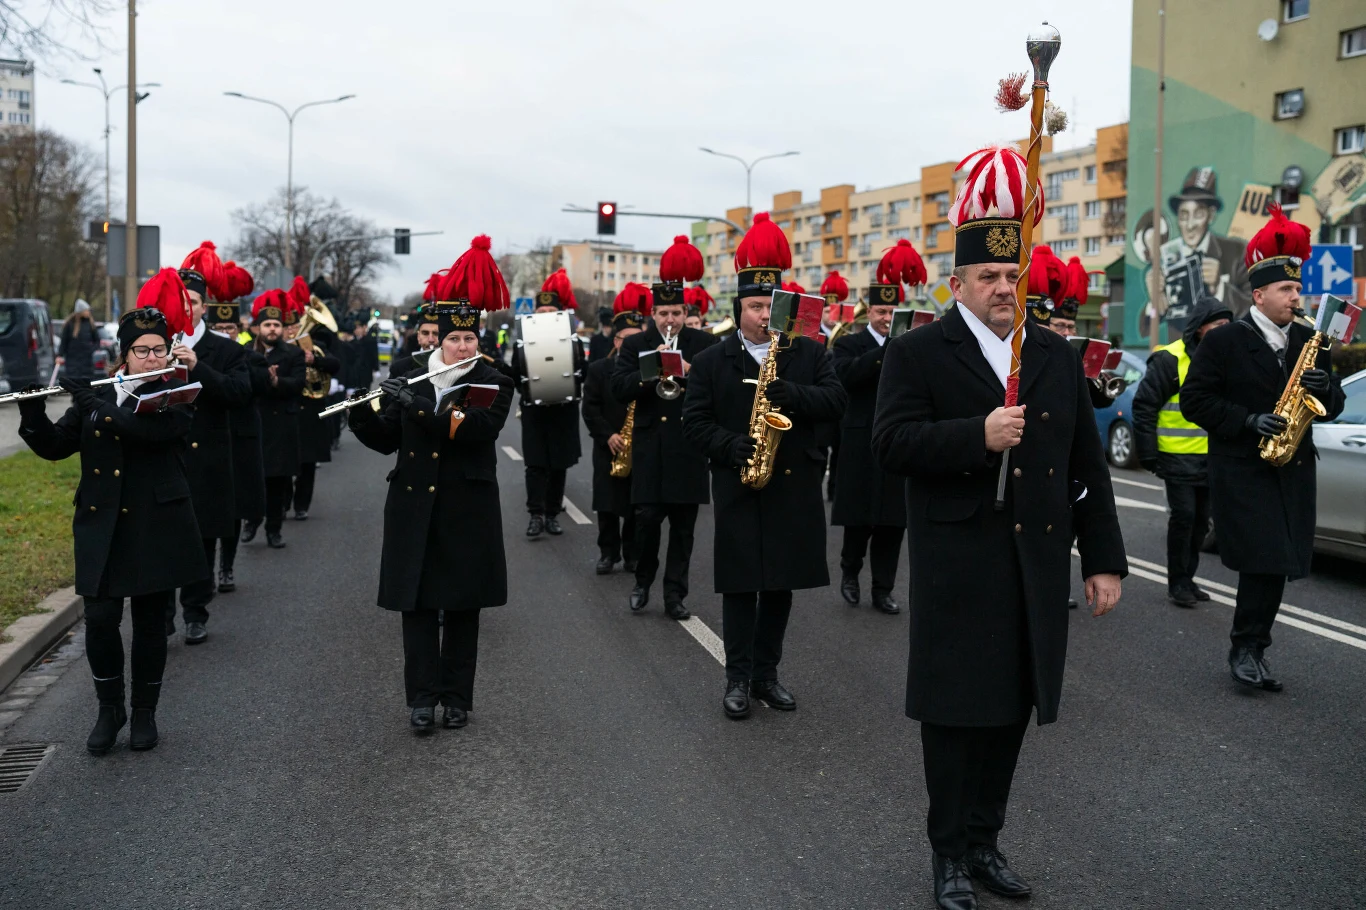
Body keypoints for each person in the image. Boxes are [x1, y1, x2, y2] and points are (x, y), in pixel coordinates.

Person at [870, 146, 1126, 910]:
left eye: (1012, 277)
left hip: (1034, 568)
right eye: (988, 277)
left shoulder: (1051, 354)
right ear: (958, 285)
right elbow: (890, 443)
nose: (1003, 289)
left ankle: (984, 841)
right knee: (955, 719)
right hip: (959, 564)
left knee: (1012, 711)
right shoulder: (920, 351)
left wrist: (1103, 560)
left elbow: (1088, 464)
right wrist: (974, 436)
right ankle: (948, 852)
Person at [16, 278, 208, 755]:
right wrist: (33, 412)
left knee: (148, 622)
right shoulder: (102, 393)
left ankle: (145, 712)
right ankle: (110, 708)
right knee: (100, 620)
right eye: (142, 351)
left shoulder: (177, 392)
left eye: (159, 349)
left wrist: (95, 404)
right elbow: (57, 448)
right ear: (123, 355)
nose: (152, 358)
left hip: (155, 521)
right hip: (102, 522)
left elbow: (147, 435)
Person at [682, 213, 847, 718]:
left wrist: (789, 394)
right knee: (740, 586)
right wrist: (733, 449)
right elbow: (694, 422)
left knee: (779, 586)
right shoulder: (713, 361)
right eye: (754, 307)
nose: (762, 316)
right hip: (739, 482)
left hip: (792, 486)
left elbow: (836, 401)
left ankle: (766, 676)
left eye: (770, 307)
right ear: (739, 310)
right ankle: (736, 678)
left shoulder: (808, 353)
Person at [348, 238, 513, 733]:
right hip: (414, 501)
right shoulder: (408, 373)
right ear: (438, 340)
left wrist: (418, 406)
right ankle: (421, 699)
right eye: (454, 340)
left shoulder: (492, 380)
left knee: (463, 606)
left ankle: (456, 698)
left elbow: (478, 430)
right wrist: (361, 414)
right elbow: (387, 441)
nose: (463, 348)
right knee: (416, 605)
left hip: (468, 504)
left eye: (470, 339)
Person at [1180, 204, 1344, 692]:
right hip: (1245, 469)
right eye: (1287, 289)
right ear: (1259, 294)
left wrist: (1324, 387)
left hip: (1293, 469)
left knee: (1278, 564)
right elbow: (1196, 401)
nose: (1298, 296)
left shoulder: (1310, 340)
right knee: (1264, 560)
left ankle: (1252, 645)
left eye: (1298, 288)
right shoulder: (1225, 341)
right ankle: (1247, 648)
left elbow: (1330, 404)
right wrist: (1248, 420)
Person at [612, 240, 719, 618]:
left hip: (688, 446)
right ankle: (643, 582)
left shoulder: (704, 344)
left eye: (676, 312)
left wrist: (688, 372)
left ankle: (675, 596)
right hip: (649, 445)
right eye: (663, 313)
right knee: (647, 521)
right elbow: (619, 387)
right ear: (652, 313)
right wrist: (651, 371)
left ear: (685, 310)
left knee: (684, 530)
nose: (669, 320)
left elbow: (717, 390)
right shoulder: (636, 344)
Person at [831, 242, 925, 614]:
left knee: (892, 524)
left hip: (898, 440)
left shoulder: (911, 346)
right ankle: (849, 572)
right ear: (869, 311)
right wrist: (886, 349)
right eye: (881, 311)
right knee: (859, 520)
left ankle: (882, 589)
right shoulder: (849, 344)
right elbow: (846, 377)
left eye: (892, 311)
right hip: (859, 441)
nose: (887, 317)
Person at [167, 244, 251, 643]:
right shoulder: (151, 347)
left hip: (208, 457)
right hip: (165, 453)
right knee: (163, 537)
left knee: (202, 539)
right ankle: (163, 612)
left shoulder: (226, 350)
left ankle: (195, 612)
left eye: (194, 301)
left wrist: (198, 368)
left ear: (204, 306)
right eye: (179, 301)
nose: (187, 307)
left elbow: (238, 393)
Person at [1132, 294, 1231, 607]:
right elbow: (1145, 406)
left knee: (1202, 521)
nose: (1224, 330)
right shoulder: (1170, 359)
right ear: (1200, 329)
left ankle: (1188, 578)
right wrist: (1148, 453)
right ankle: (1177, 583)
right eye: (1218, 325)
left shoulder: (1225, 360)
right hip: (1175, 456)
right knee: (1185, 517)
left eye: (1228, 325)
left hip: (1211, 457)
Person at [513, 268, 584, 537]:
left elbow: (582, 373)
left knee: (558, 466)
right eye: (539, 314)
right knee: (535, 465)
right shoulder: (523, 341)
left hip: (563, 410)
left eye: (549, 313)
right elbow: (516, 374)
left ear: (559, 315)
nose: (544, 318)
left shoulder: (573, 342)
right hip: (535, 410)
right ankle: (535, 515)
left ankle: (552, 514)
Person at [582, 307, 646, 574]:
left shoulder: (650, 368)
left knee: (636, 503)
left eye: (637, 337)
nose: (632, 343)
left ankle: (632, 554)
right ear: (616, 341)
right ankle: (608, 553)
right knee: (606, 503)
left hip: (640, 444)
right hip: (609, 444)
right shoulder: (599, 369)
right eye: (626, 338)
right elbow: (590, 408)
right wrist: (608, 435)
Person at [242, 289, 306, 549]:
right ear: (258, 327)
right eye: (267, 324)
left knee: (277, 481)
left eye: (276, 325)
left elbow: (298, 384)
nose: (272, 329)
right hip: (254, 420)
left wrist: (276, 381)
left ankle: (274, 529)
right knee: (252, 477)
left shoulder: (293, 353)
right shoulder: (245, 351)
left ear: (282, 328)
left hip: (281, 425)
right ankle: (251, 520)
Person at [211, 262, 261, 593]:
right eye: (219, 326)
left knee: (232, 508)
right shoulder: (199, 355)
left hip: (239, 437)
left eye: (231, 327)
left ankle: (226, 567)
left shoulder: (249, 355)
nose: (226, 332)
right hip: (209, 439)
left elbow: (251, 387)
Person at [58, 299, 99, 381]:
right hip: (72, 363)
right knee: (74, 384)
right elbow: (64, 342)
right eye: (87, 310)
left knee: (86, 385)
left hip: (87, 363)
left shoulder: (90, 324)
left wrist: (91, 350)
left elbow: (97, 341)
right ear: (81, 311)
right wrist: (60, 355)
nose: (89, 312)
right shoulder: (70, 324)